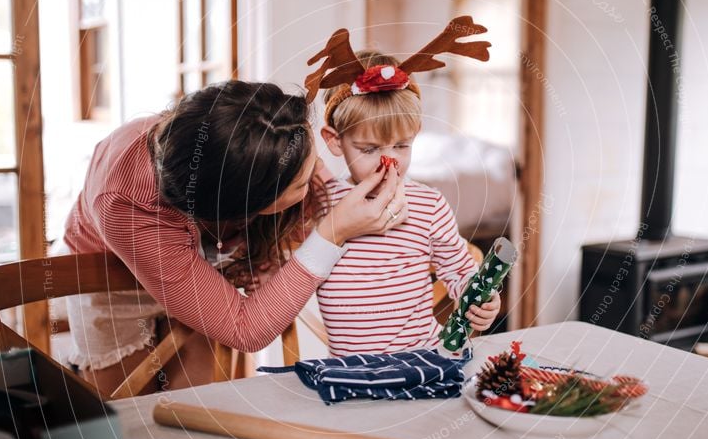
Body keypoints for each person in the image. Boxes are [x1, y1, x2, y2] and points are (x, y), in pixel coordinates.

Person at [62, 80, 408, 395]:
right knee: (127, 414)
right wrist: (333, 232)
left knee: (190, 403)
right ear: (244, 206)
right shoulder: (127, 203)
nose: (315, 180)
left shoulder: (261, 133)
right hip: (111, 279)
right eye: (301, 185)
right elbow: (247, 330)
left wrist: (274, 260)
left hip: (200, 255)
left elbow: (311, 206)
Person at [315, 51, 501, 356]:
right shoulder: (321, 205)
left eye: (402, 145)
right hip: (351, 370)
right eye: (370, 148)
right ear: (336, 141)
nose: (390, 161)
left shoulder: (429, 205)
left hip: (422, 359)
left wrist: (484, 298)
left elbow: (460, 272)